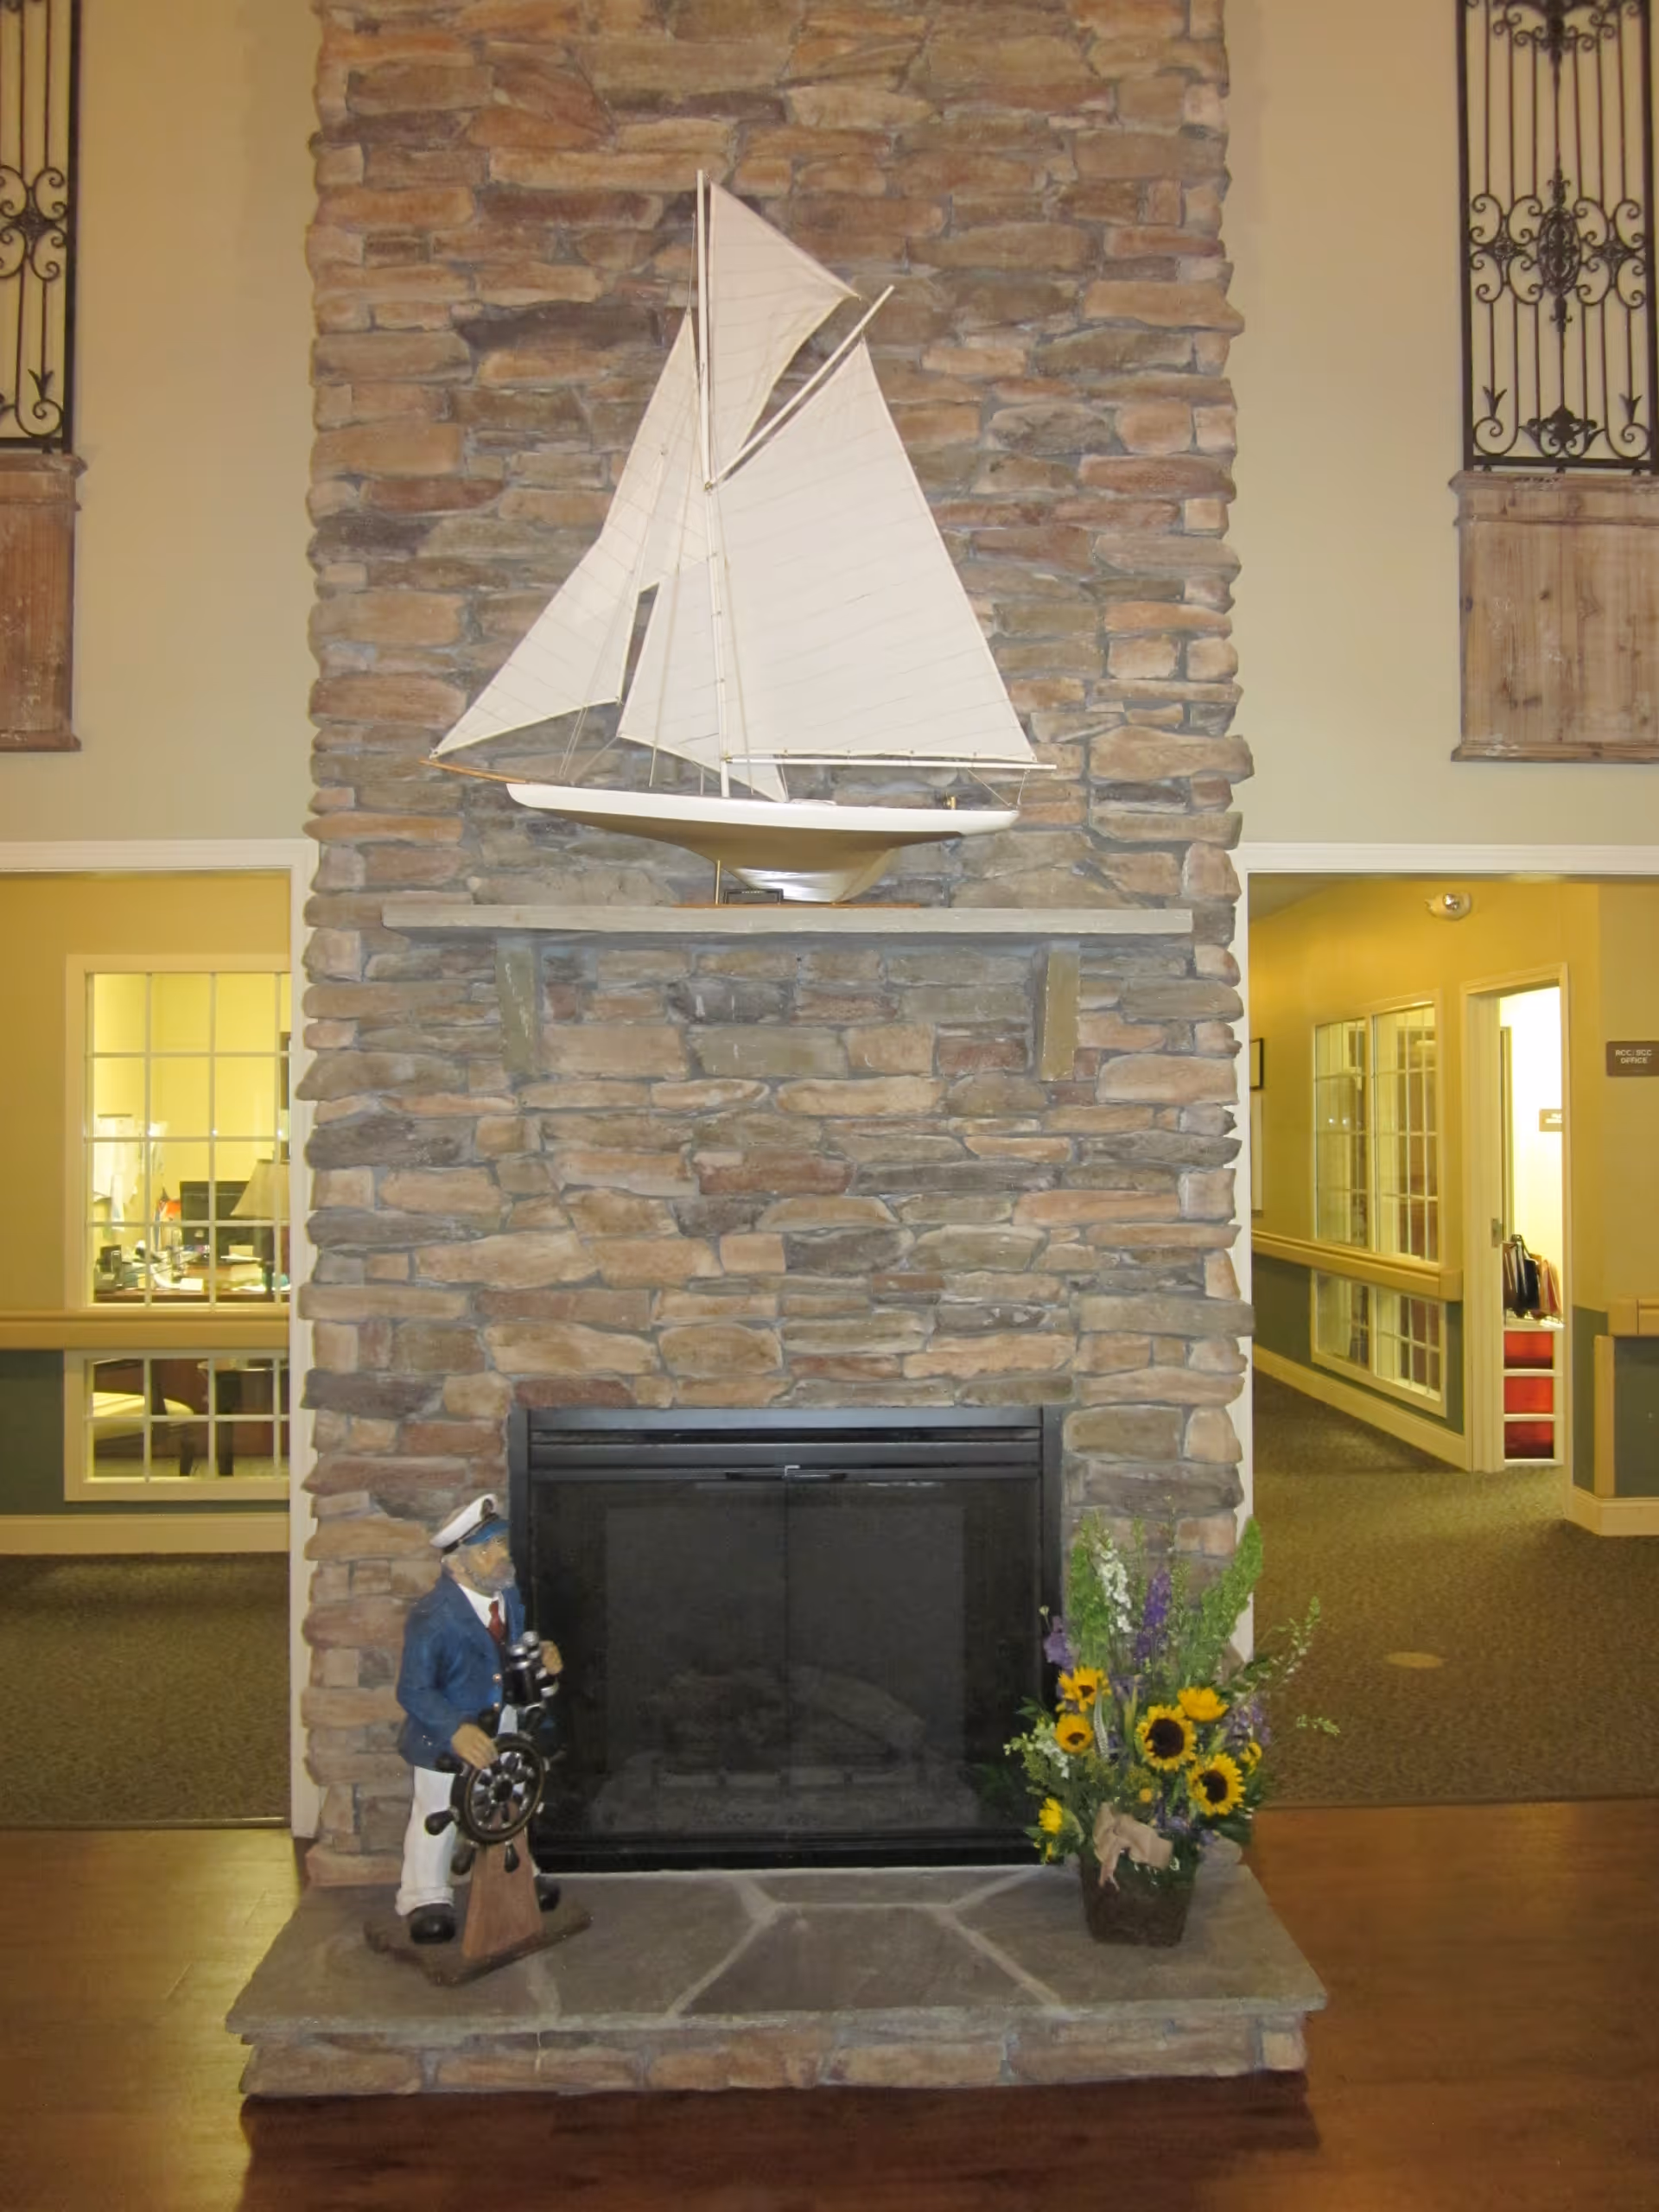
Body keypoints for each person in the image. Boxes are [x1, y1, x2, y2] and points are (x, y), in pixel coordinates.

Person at [394, 1493, 562, 1943]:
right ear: (458, 1565)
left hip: (504, 1722)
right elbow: (413, 1689)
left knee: (513, 1799)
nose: (502, 1555)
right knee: (440, 1811)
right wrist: (453, 1729)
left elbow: (511, 1650)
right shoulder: (435, 1617)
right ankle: (425, 1894)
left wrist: (540, 1659)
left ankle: (521, 1873)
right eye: (488, 1549)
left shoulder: (508, 1594)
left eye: (501, 1543)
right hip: (448, 1738)